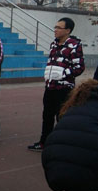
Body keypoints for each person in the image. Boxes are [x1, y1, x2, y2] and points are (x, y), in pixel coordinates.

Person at [28, 17, 85, 152]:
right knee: (47, 116)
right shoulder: (54, 44)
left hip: (64, 88)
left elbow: (79, 67)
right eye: (55, 27)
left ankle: (63, 143)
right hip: (50, 87)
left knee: (62, 116)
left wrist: (63, 74)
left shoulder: (74, 45)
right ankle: (44, 142)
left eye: (59, 28)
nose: (55, 30)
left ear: (68, 30)